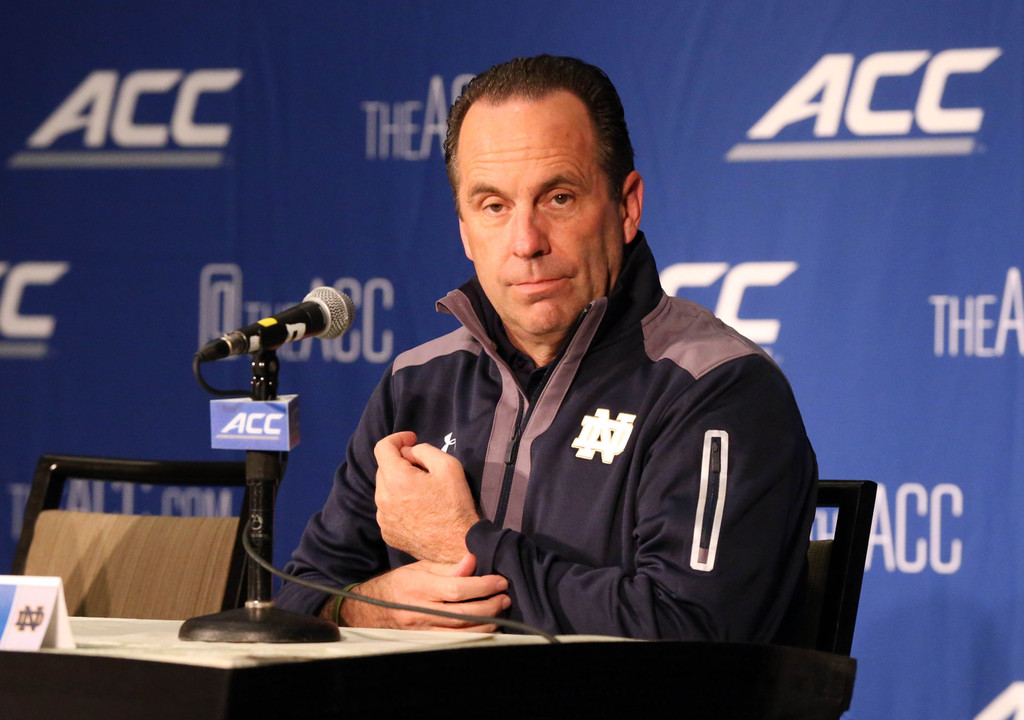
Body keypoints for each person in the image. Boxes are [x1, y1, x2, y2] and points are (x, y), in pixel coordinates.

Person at [276, 55, 817, 642]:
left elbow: (690, 632)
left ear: (626, 205)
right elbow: (302, 594)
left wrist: (465, 543)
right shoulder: (418, 382)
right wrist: (369, 607)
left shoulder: (717, 387)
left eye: (558, 198)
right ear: (464, 229)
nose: (526, 242)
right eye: (494, 206)